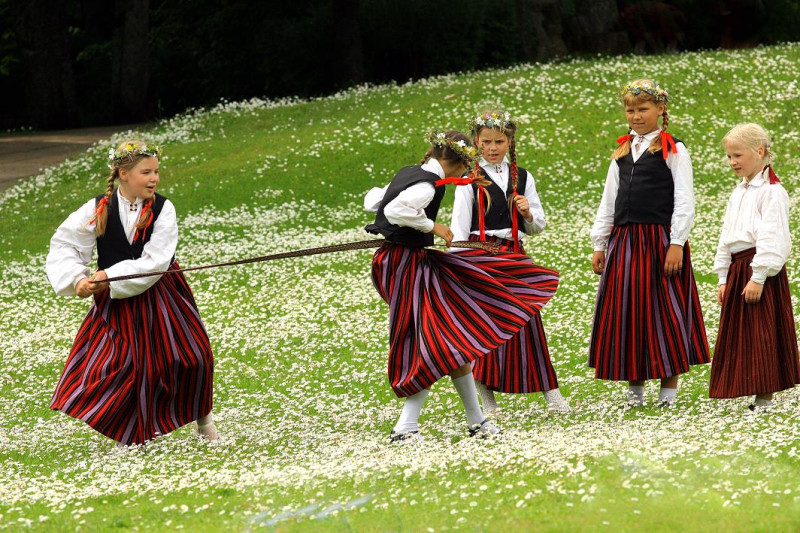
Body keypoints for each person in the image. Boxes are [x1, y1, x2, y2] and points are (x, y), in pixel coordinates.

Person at [365, 130, 552, 441]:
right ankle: (405, 427)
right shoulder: (426, 184)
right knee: (434, 340)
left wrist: (403, 217)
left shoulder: (412, 173)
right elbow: (395, 210)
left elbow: (373, 199)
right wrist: (432, 226)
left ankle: (478, 422)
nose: (466, 173)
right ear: (455, 161)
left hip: (398, 260)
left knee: (452, 337)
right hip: (405, 265)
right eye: (465, 166)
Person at [46, 140, 217, 446]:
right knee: (127, 367)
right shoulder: (98, 208)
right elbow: (66, 245)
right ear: (123, 174)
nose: (154, 179)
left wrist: (108, 276)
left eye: (157, 172)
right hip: (116, 304)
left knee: (195, 356)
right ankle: (130, 437)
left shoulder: (164, 209)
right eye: (145, 172)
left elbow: (156, 259)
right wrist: (78, 280)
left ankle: (204, 419)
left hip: (163, 294)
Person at [588, 80, 710, 407]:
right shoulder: (622, 150)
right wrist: (600, 242)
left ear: (660, 109)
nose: (636, 116)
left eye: (643, 109)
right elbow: (608, 200)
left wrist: (677, 243)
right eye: (631, 110)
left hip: (659, 240)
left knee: (665, 309)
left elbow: (685, 200)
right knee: (629, 311)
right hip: (624, 241)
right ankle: (635, 392)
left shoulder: (673, 149)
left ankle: (668, 392)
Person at [450, 110, 567, 413]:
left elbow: (537, 225)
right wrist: (461, 268)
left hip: (514, 253)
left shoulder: (522, 177)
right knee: (487, 328)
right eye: (486, 141)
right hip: (481, 255)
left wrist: (527, 212)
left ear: (510, 141)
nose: (492, 147)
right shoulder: (469, 180)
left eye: (499, 141)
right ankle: (487, 400)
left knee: (529, 322)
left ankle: (551, 394)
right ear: (476, 142)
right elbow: (460, 227)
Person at [709, 123, 800, 409]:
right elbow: (728, 236)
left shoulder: (772, 192)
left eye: (738, 155)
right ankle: (748, 388)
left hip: (758, 268)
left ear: (759, 152)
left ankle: (764, 397)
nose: (732, 162)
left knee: (762, 332)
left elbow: (773, 237)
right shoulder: (740, 192)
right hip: (738, 268)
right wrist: (724, 276)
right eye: (729, 157)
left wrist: (759, 276)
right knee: (741, 334)